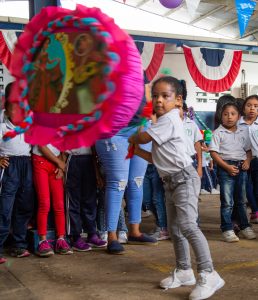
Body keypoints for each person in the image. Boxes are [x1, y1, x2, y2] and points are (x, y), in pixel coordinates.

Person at [128, 76, 224, 300]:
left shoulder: (169, 120)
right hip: (170, 181)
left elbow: (141, 136)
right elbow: (157, 158)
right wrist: (137, 152)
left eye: (165, 96)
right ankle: (184, 270)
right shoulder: (163, 122)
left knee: (189, 226)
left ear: (178, 100)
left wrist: (133, 138)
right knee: (175, 229)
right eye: (155, 96)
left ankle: (209, 274)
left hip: (184, 179)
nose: (159, 100)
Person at [95, 74, 157, 255]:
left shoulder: (138, 67)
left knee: (137, 181)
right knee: (118, 183)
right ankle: (112, 236)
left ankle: (135, 231)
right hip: (113, 131)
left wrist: (149, 120)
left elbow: (146, 97)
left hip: (140, 129)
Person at [209, 102, 256, 243]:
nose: (229, 117)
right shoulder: (218, 132)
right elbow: (213, 153)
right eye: (225, 114)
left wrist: (247, 161)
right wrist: (226, 167)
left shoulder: (243, 131)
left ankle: (244, 226)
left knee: (241, 201)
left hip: (241, 168)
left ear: (238, 116)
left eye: (233, 114)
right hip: (226, 168)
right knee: (227, 201)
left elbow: (248, 151)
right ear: (221, 117)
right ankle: (227, 228)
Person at [0, 82, 34, 264]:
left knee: (24, 206)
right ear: (6, 108)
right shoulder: (2, 128)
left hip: (26, 165)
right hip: (10, 167)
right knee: (5, 208)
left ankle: (19, 245)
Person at [32, 144, 72, 257]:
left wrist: (61, 166)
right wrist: (60, 163)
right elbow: (41, 146)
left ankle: (61, 239)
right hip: (40, 160)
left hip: (56, 162)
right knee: (44, 203)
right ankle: (42, 241)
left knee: (59, 204)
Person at [65, 147, 107, 251]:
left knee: (90, 200)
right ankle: (75, 237)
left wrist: (96, 171)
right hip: (72, 159)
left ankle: (92, 233)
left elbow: (93, 148)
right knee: (73, 200)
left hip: (89, 160)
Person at [241, 95, 258, 223]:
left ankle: (255, 211)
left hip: (257, 160)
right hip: (243, 160)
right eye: (249, 105)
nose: (252, 108)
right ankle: (255, 210)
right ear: (244, 108)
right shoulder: (238, 123)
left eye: (256, 106)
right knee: (247, 186)